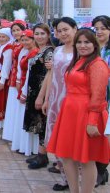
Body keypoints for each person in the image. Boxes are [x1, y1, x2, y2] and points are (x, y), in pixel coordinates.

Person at [47, 29, 110, 193]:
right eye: (79, 42)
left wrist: (92, 122)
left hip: (87, 114)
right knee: (67, 156)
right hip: (70, 113)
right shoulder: (78, 61)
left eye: (87, 42)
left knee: (87, 159)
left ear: (94, 44)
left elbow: (98, 96)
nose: (83, 46)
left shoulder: (97, 64)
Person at [41, 17, 77, 191]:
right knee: (58, 141)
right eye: (59, 31)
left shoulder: (82, 50)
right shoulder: (58, 51)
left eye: (66, 30)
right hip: (56, 101)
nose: (62, 33)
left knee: (72, 141)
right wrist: (47, 99)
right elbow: (52, 76)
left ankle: (79, 181)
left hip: (73, 102)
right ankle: (65, 179)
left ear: (75, 29)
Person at [22, 24, 54, 169]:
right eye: (37, 34)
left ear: (48, 35)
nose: (39, 36)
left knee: (43, 123)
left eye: (42, 34)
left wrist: (42, 96)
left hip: (42, 91)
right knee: (38, 122)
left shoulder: (49, 52)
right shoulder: (40, 50)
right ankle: (41, 154)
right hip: (34, 90)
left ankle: (43, 156)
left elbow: (49, 75)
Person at [11, 29, 39, 156]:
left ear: (33, 40)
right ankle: (23, 145)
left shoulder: (34, 53)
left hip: (28, 86)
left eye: (28, 39)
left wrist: (23, 91)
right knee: (21, 115)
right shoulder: (25, 51)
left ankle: (29, 147)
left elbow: (30, 73)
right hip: (22, 84)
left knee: (26, 115)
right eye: (23, 40)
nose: (25, 42)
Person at [92, 15, 110, 187]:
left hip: (107, 98)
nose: (99, 32)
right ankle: (99, 170)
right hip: (94, 98)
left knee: (105, 136)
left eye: (103, 28)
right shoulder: (93, 49)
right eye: (96, 29)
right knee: (96, 135)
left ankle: (102, 170)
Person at [2, 20, 26, 142]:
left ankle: (19, 136)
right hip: (13, 76)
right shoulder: (13, 44)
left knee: (20, 106)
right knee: (12, 106)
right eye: (14, 31)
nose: (16, 33)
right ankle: (12, 134)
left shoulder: (26, 44)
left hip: (22, 78)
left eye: (18, 30)